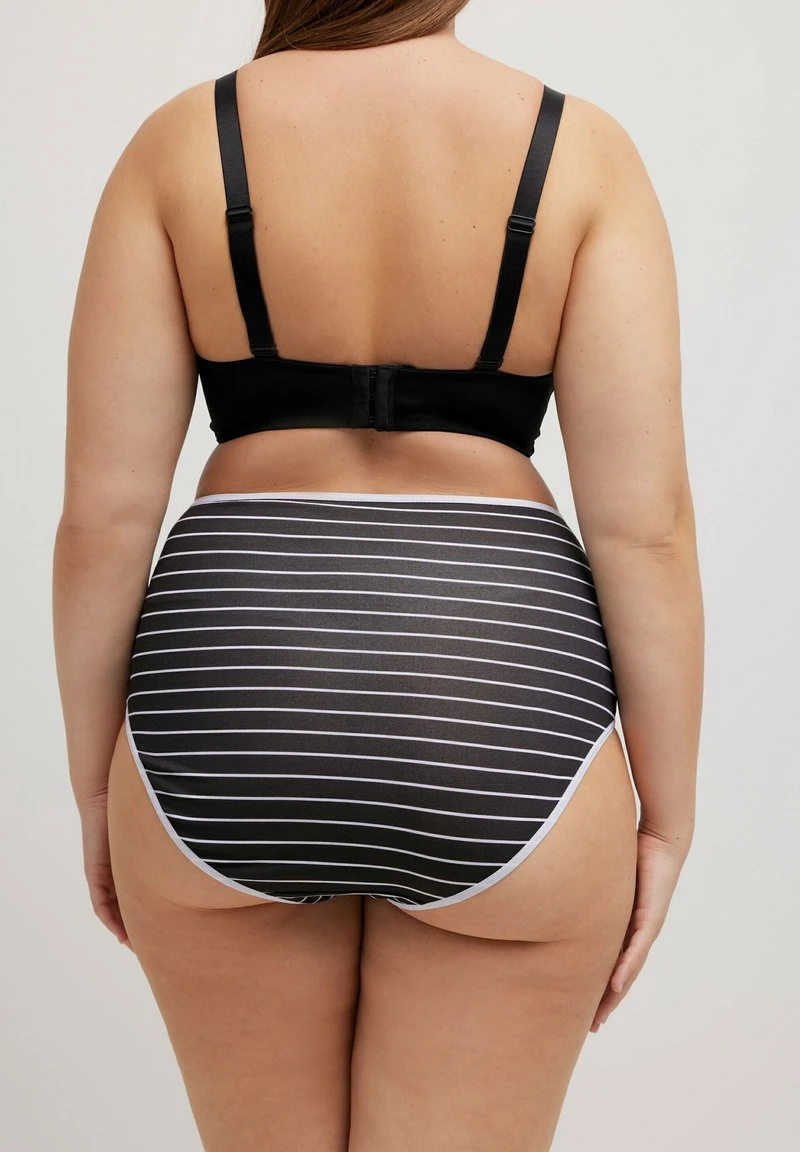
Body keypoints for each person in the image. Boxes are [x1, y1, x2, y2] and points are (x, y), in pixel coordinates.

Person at [52, 3, 704, 1149]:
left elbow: (105, 524)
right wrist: (665, 820)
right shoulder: (579, 154)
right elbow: (642, 530)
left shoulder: (180, 145)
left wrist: (100, 790)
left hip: (228, 715)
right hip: (500, 714)